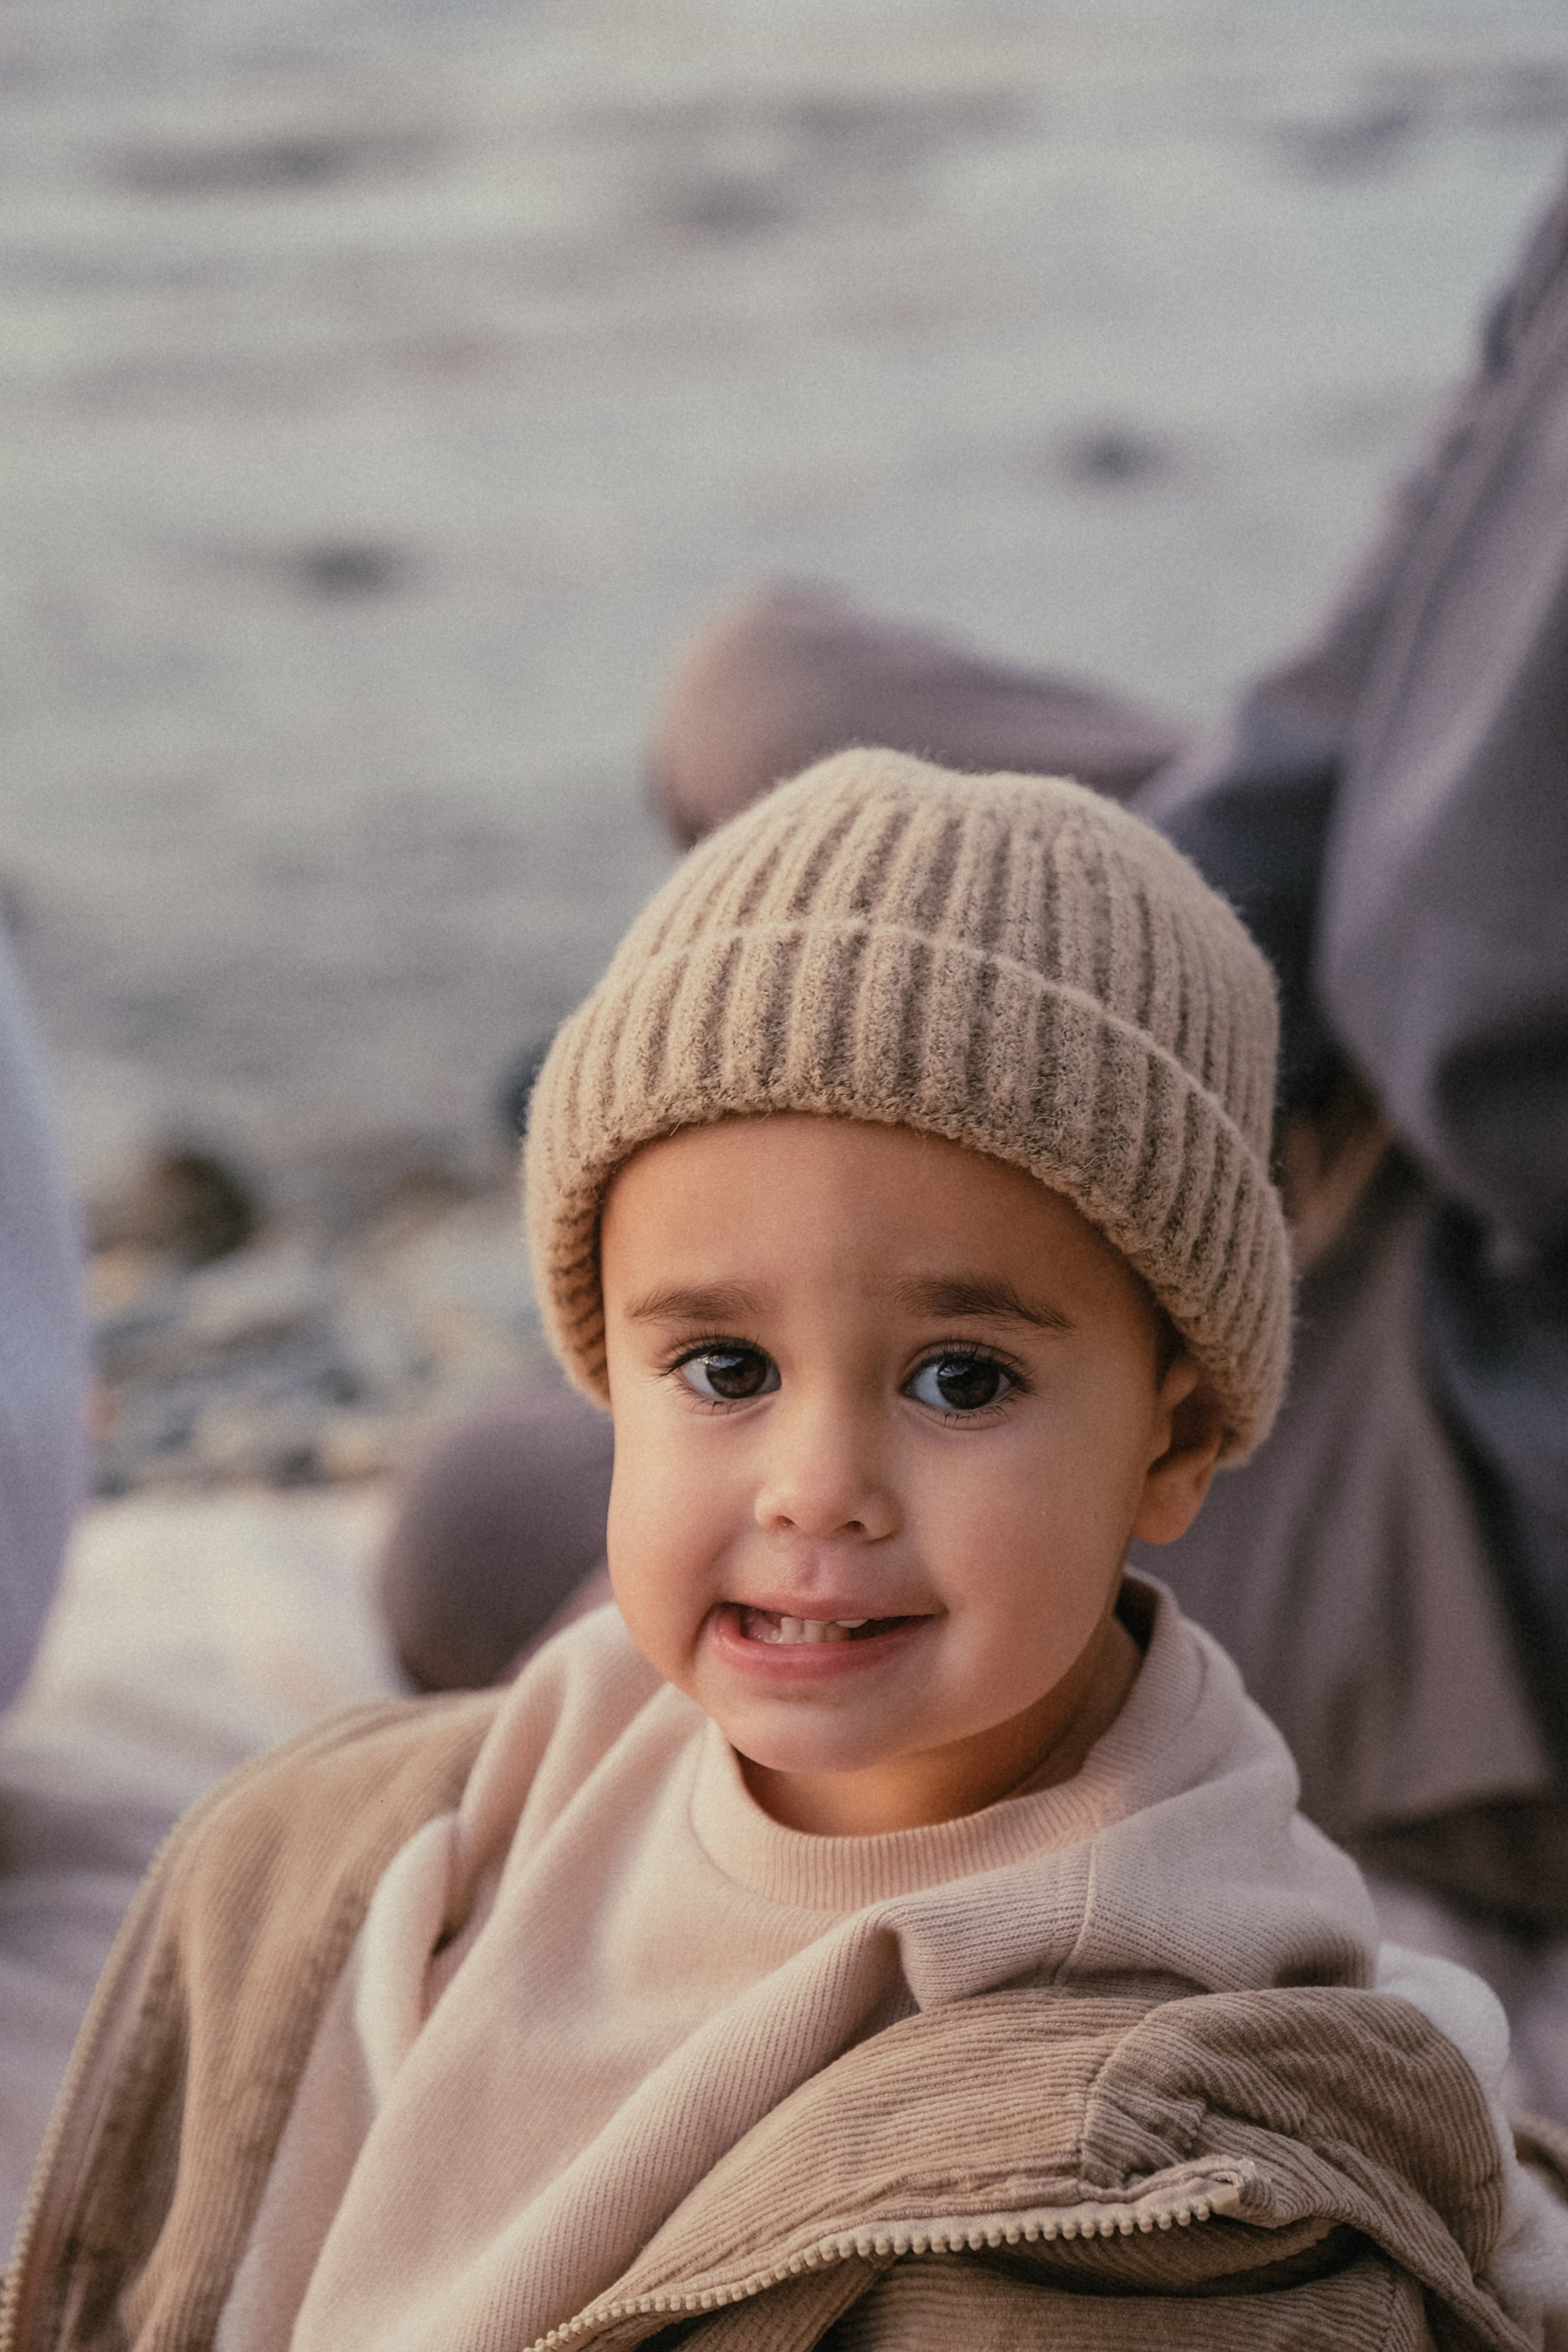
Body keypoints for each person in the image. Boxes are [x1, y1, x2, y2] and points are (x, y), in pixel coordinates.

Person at [12, 752, 1568, 2348]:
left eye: (963, 1379)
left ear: (1172, 1442)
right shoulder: (523, 1783)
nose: (817, 1489)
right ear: (603, 1372)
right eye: (725, 1371)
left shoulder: (1149, 2189)